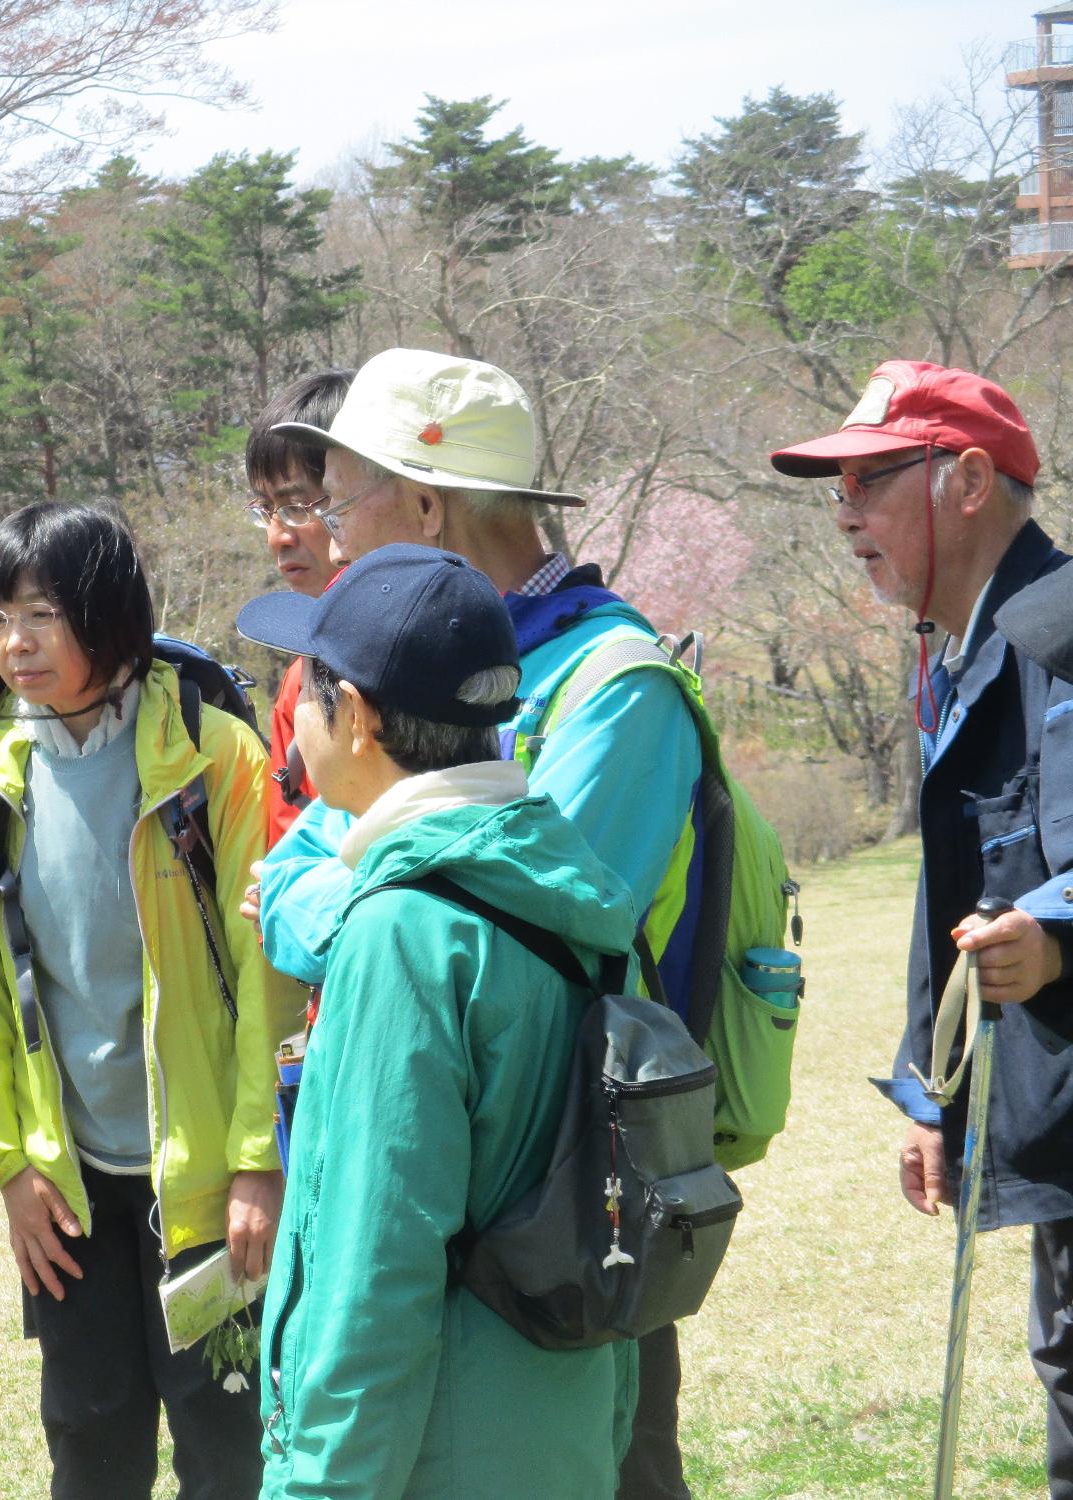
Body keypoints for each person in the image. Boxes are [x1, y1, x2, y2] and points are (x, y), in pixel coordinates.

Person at [251, 346, 705, 1497]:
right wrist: (353, 890)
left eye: (338, 494)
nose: (326, 529)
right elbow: (303, 884)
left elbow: (372, 1268)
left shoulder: (613, 684)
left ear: (421, 501)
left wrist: (364, 898)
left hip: (537, 1280)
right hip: (509, 1359)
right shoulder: (450, 689)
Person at [0, 501, 305, 1500]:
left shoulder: (211, 759)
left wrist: (258, 1161)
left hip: (206, 1185)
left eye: (41, 614)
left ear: (108, 614)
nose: (14, 644)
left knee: (228, 1448)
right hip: (72, 1192)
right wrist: (6, 1164)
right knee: (87, 1448)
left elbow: (265, 971)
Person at [240, 542, 637, 1496]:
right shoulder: (566, 885)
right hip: (561, 1426)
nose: (296, 730)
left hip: (434, 1448)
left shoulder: (402, 930)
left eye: (313, 693)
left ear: (362, 718)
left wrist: (316, 1487)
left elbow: (375, 1262)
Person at [771, 362, 1073, 1496]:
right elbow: (951, 884)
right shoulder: (948, 653)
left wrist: (1051, 942)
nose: (842, 509)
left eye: (865, 478)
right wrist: (926, 1091)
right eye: (832, 485)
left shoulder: (1059, 629)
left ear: (965, 480)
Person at [244, 368, 352, 846]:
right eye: (265, 510)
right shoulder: (300, 677)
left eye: (295, 507)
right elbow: (289, 836)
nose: (277, 537)